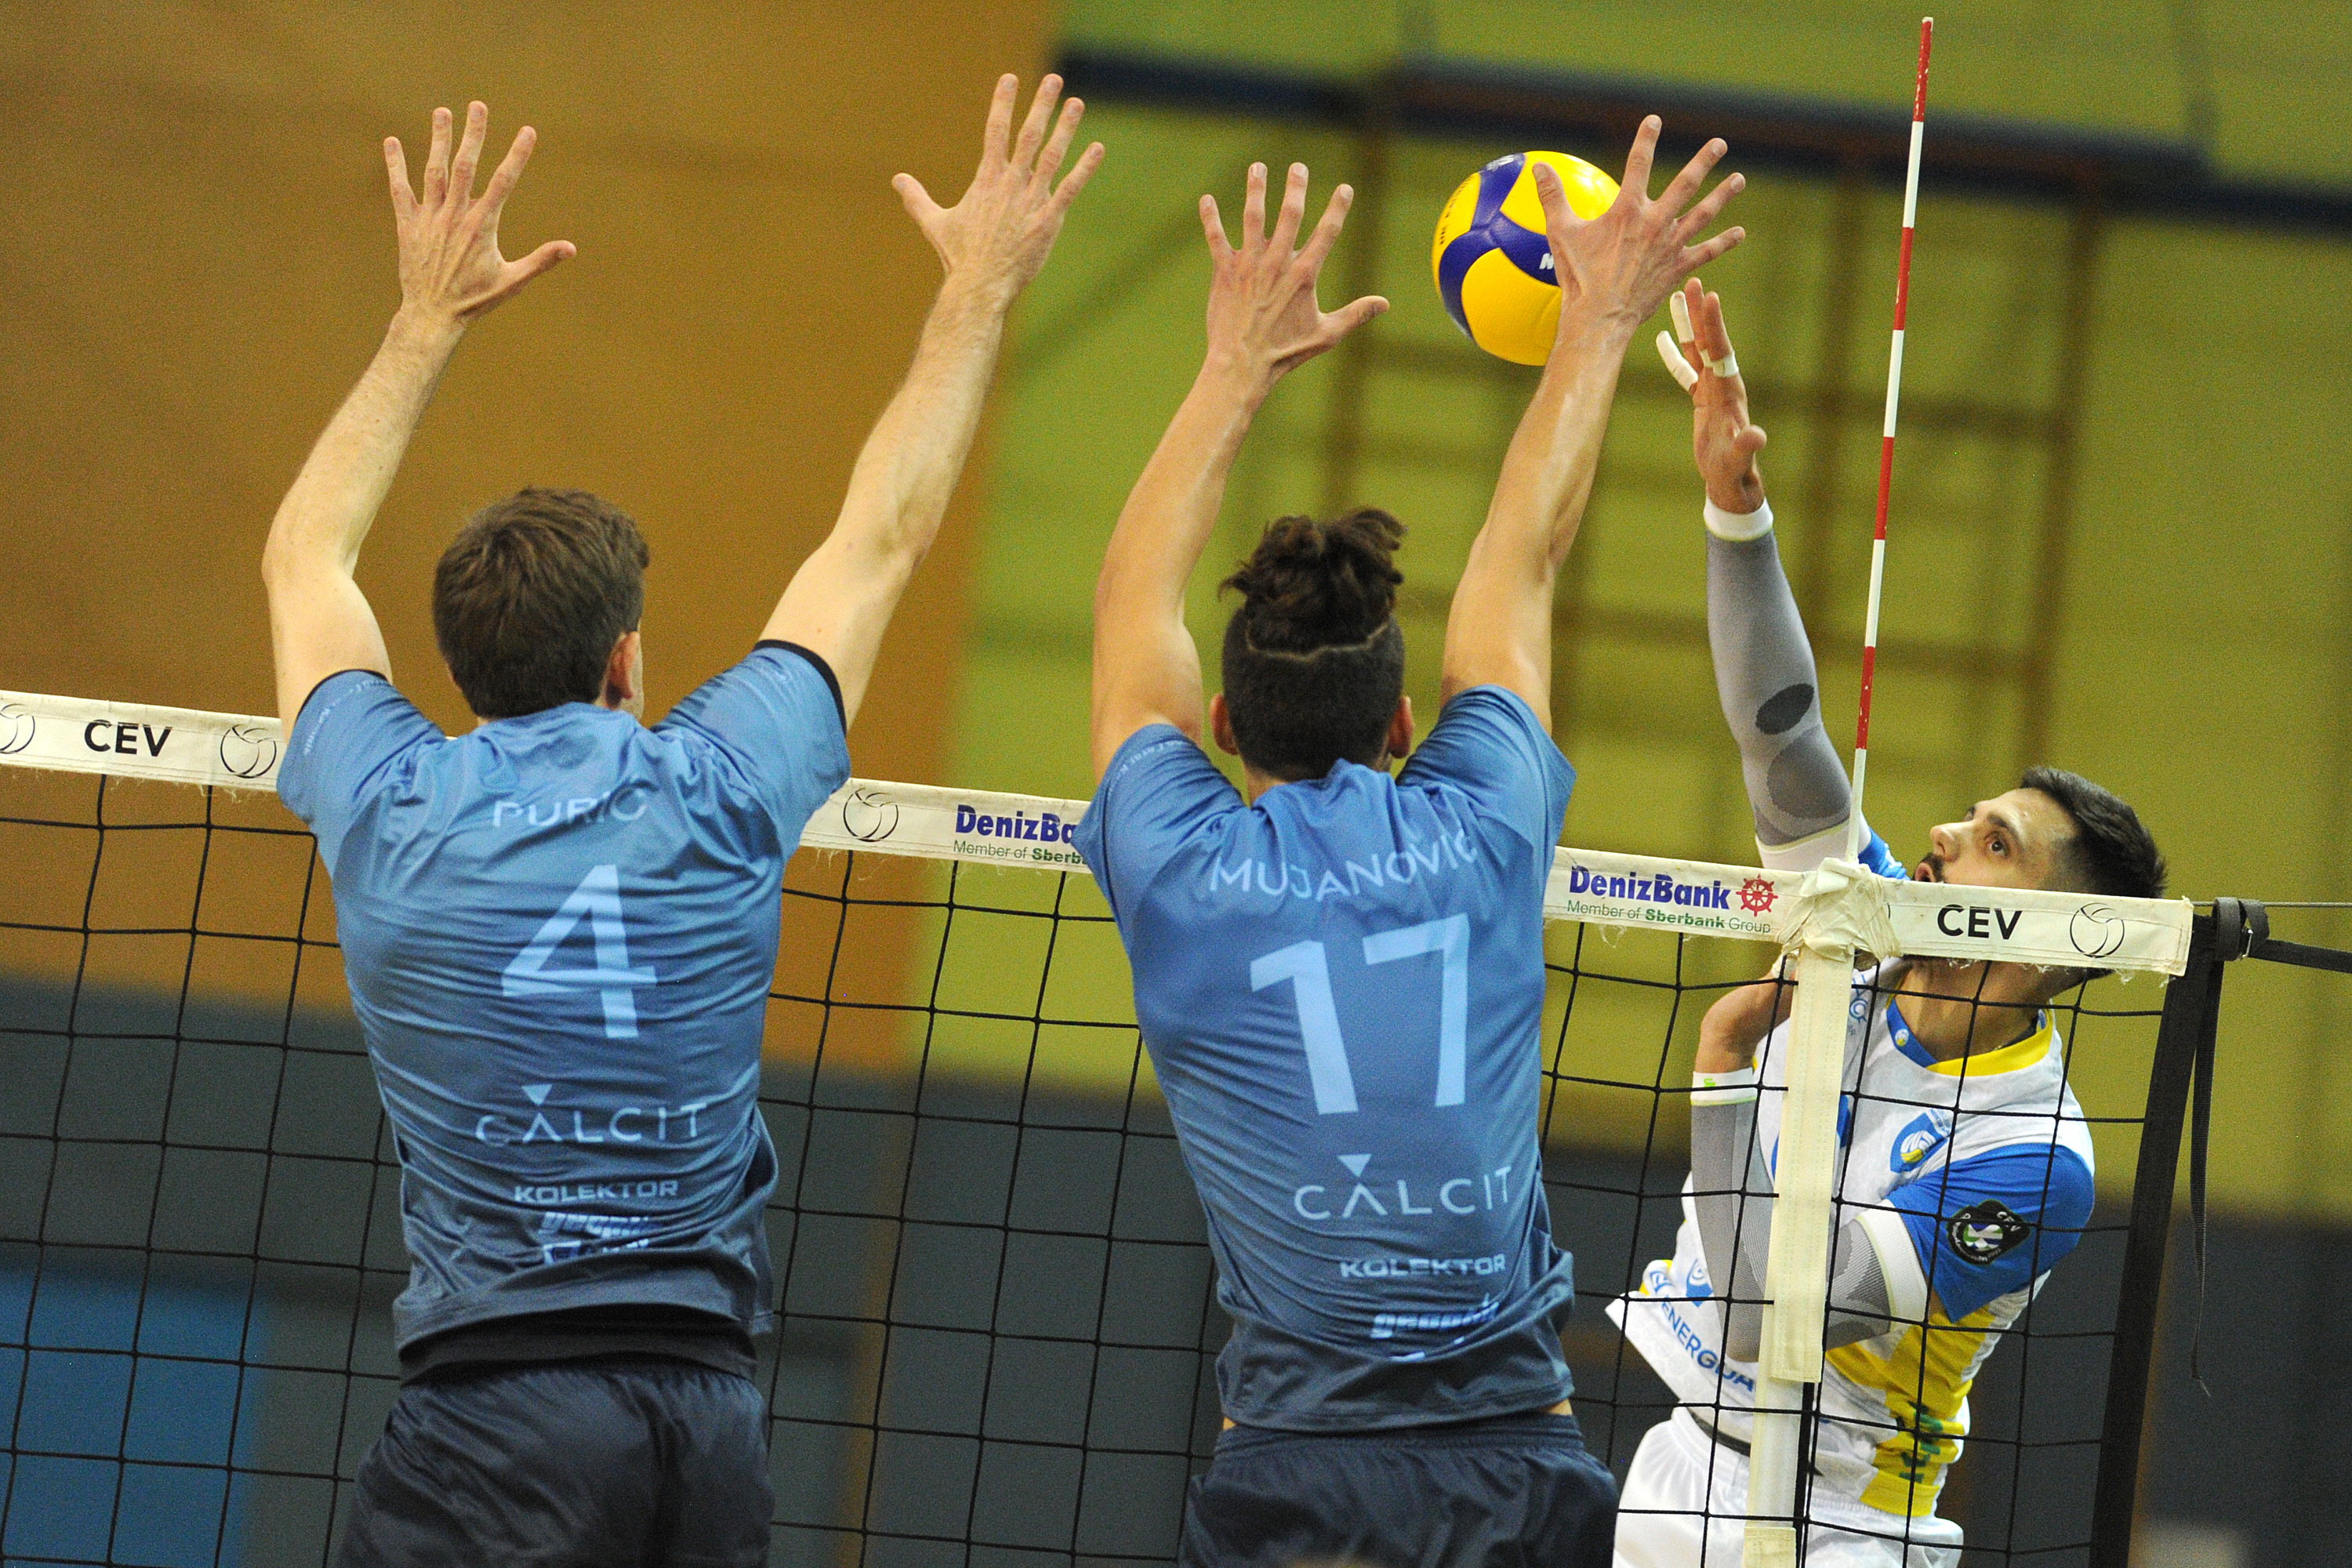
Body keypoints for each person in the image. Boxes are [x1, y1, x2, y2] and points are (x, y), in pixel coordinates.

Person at [260, 81, 1100, 1565]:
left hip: (493, 1425)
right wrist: (980, 286)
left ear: (456, 669)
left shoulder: (388, 799)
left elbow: (303, 554)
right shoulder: (719, 782)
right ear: (628, 661)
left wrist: (422, 321)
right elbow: (882, 534)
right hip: (705, 1428)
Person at [1074, 122, 1745, 1568]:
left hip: (1300, 1479)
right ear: (1403, 727)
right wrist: (1602, 328)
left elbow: (1134, 596)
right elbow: (1524, 554)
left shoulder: (1180, 860)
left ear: (1218, 728)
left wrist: (1231, 367)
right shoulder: (1481, 821)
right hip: (1513, 1461)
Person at [1607, 280, 2169, 1567]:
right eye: (1965, 820)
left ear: (2048, 944)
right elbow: (1783, 742)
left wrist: (1719, 1077)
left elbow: (1763, 1311)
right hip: (1678, 1471)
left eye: (1994, 847)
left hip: (1840, 1533)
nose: (1939, 843)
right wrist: (1734, 508)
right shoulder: (1862, 927)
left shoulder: (2039, 1163)